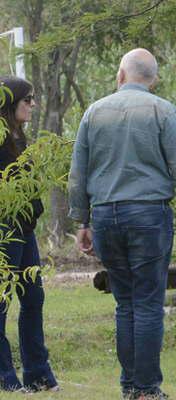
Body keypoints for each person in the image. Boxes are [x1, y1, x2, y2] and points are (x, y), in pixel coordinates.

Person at [68, 48, 176, 400]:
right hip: (148, 214)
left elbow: (77, 174)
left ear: (120, 75)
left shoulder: (93, 113)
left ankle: (130, 386)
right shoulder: (163, 110)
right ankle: (146, 389)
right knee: (147, 304)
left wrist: (81, 220)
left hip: (106, 216)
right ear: (154, 80)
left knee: (125, 303)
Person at [0, 76, 59, 392]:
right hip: (4, 231)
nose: (33, 105)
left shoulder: (20, 139)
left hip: (25, 230)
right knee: (1, 301)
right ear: (11, 104)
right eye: (28, 99)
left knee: (33, 298)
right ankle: (5, 376)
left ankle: (38, 373)